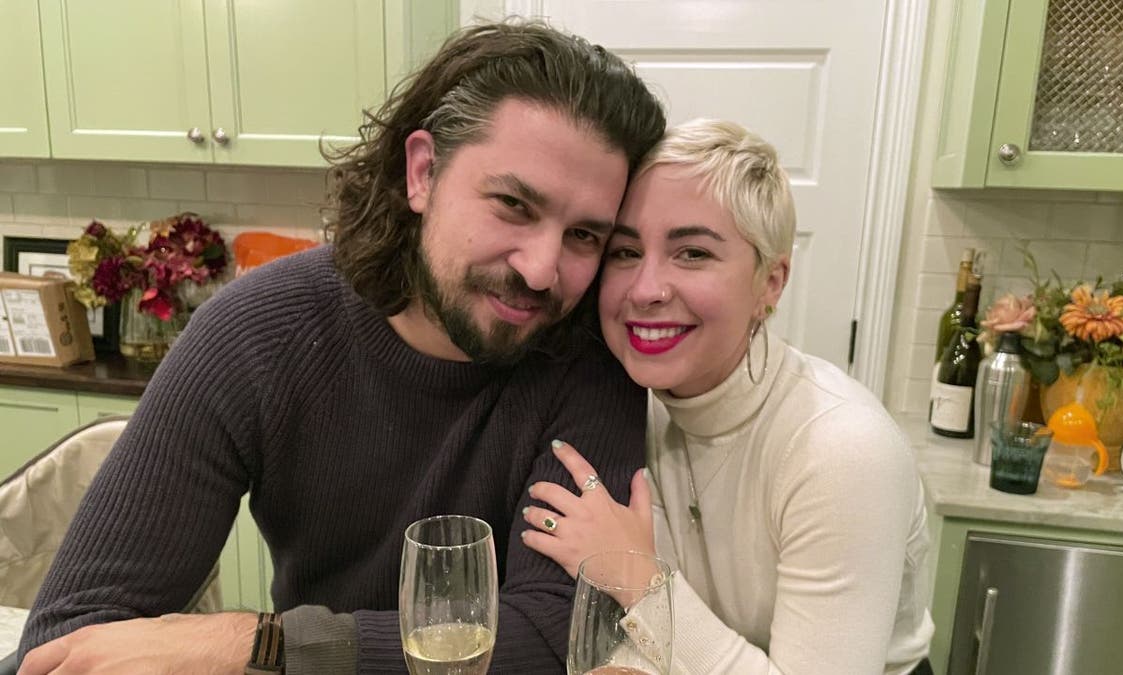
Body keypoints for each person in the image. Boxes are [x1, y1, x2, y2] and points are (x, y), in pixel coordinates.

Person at [18, 20, 665, 674]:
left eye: (584, 235)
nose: (542, 269)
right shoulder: (257, 332)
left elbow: (558, 634)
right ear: (422, 172)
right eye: (513, 205)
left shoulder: (591, 362)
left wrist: (262, 644)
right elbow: (72, 633)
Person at [521, 119, 936, 674]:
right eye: (624, 252)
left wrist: (637, 577)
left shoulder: (843, 449)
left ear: (771, 282)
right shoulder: (628, 397)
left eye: (692, 253)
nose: (646, 289)